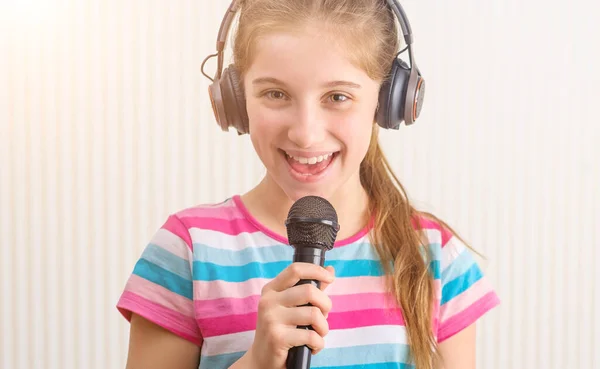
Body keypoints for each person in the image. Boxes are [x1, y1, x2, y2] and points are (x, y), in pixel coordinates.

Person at [116, 0, 500, 368]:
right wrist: (257, 364)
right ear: (235, 101)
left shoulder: (438, 262)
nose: (305, 133)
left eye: (337, 96)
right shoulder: (188, 252)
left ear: (387, 102)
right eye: (275, 94)